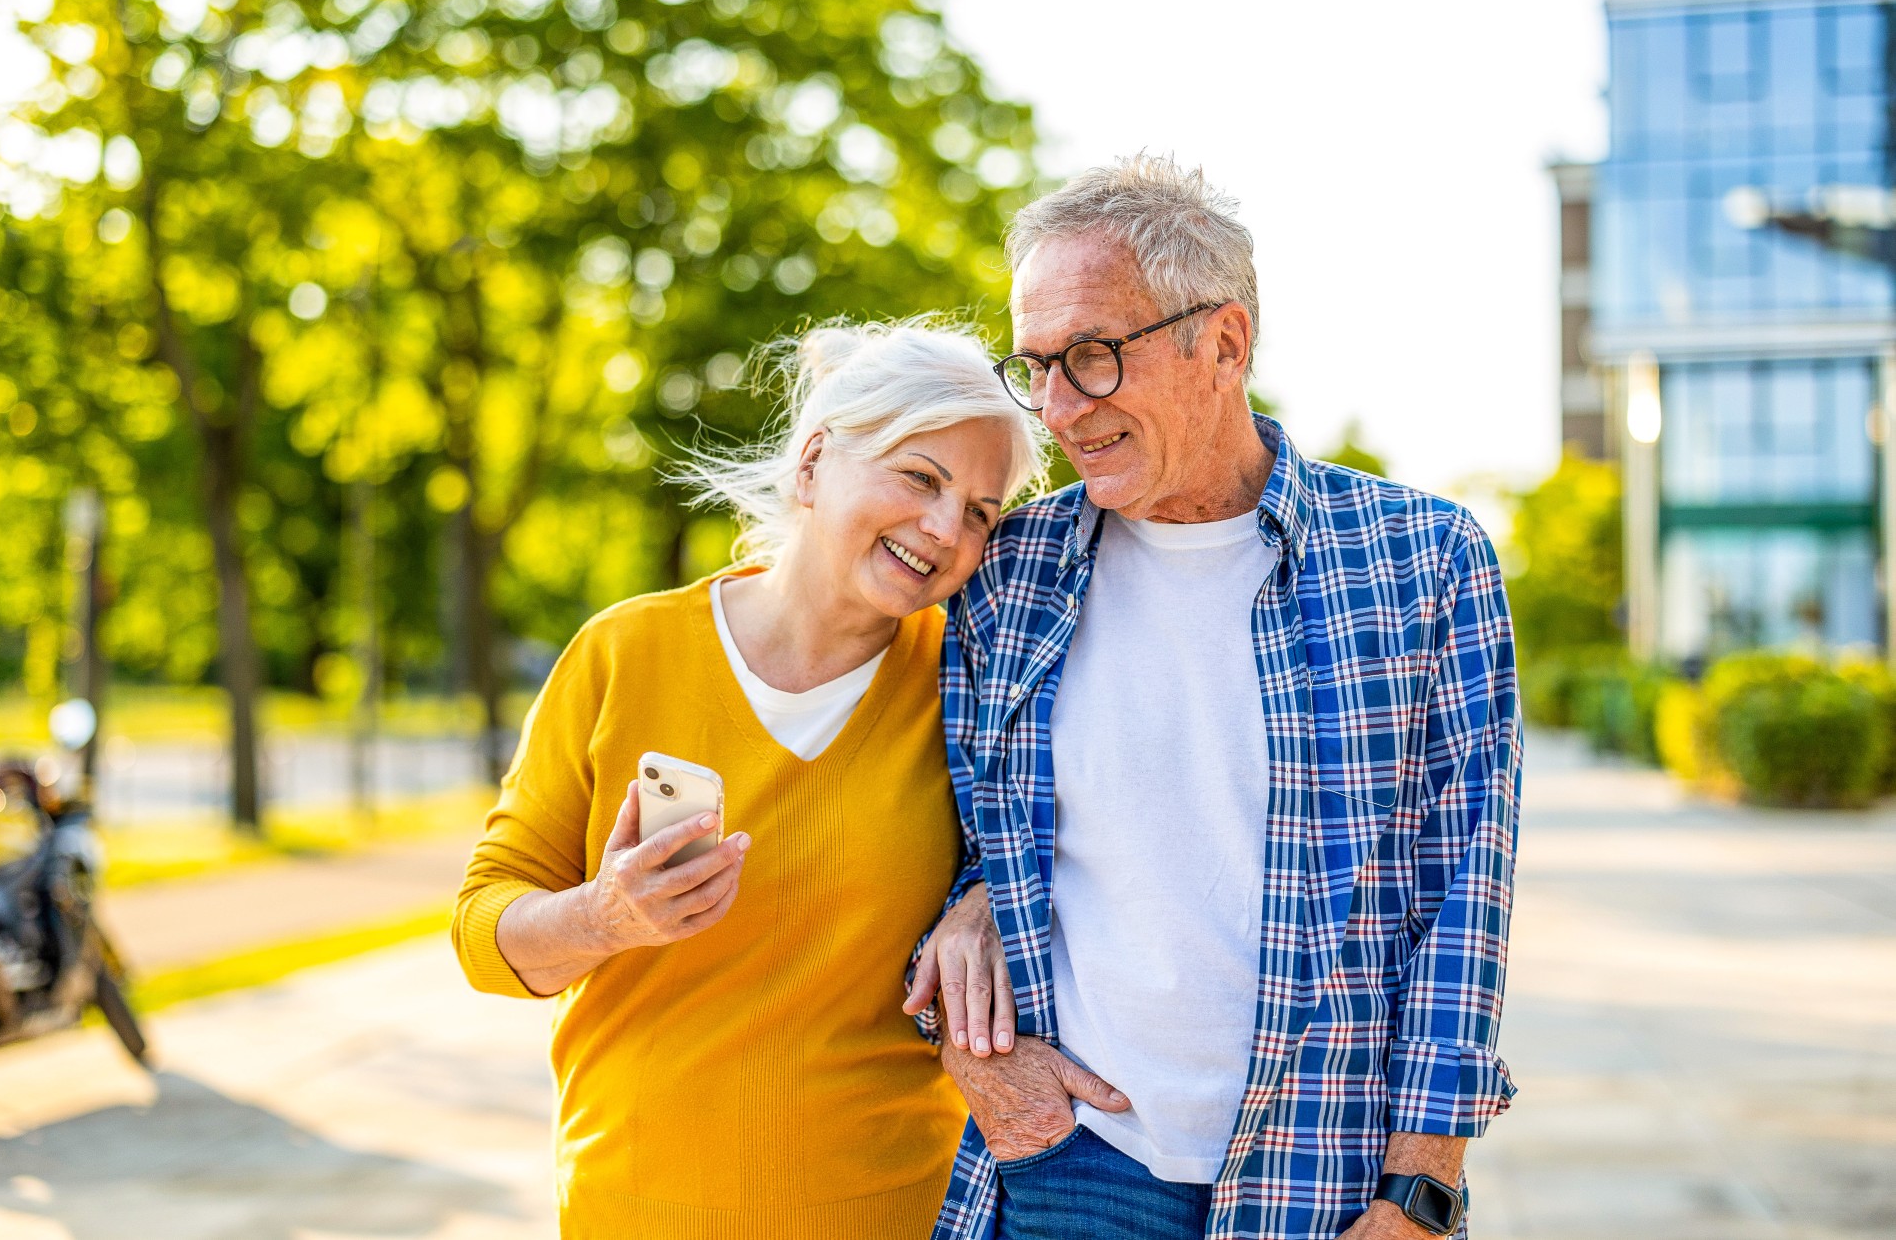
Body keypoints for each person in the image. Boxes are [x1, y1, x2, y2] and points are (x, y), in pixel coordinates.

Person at [910, 155, 1520, 1240]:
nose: (1055, 408)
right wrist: (967, 937)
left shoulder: (1423, 560)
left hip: (1327, 1176)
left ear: (1223, 342)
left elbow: (1461, 894)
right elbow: (928, 819)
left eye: (1091, 358)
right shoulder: (1003, 572)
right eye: (1036, 365)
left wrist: (1421, 1190)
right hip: (1073, 1157)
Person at [451, 318, 1046, 1240]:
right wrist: (603, 916)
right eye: (920, 478)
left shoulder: (972, 686)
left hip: (891, 1214)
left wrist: (988, 901)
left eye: (978, 510)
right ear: (812, 463)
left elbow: (1078, 853)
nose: (943, 527)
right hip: (634, 1208)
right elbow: (483, 935)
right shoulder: (625, 653)